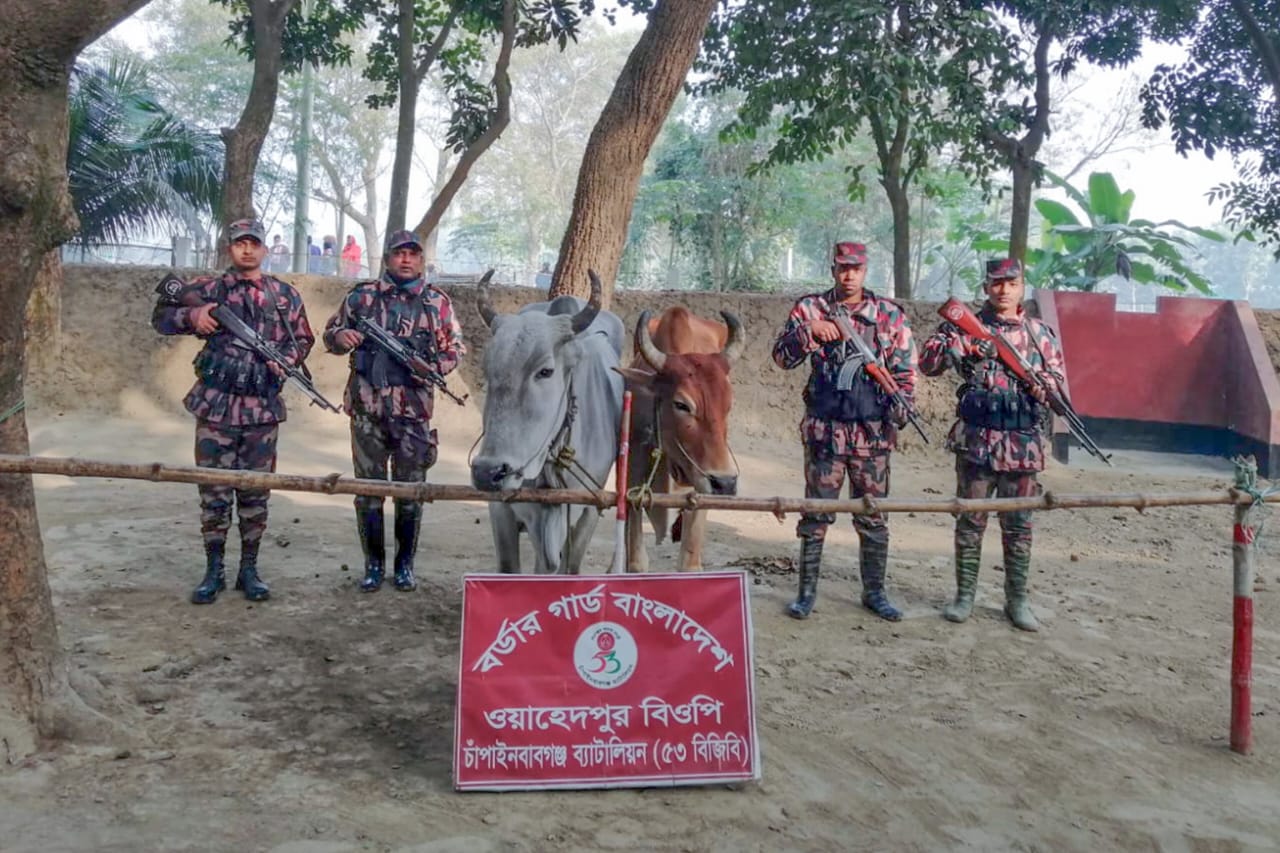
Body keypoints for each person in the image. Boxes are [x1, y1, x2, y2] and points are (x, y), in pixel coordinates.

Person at [151, 218, 316, 604]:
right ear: (230, 248)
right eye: (240, 243)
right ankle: (213, 570)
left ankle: (249, 570)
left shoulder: (284, 296)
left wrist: (287, 359)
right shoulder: (207, 289)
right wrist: (192, 317)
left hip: (261, 410)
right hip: (216, 406)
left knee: (256, 494)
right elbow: (161, 316)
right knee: (214, 494)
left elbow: (304, 337)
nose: (247, 250)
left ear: (264, 249)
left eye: (254, 243)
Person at [772, 241, 917, 621]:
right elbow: (781, 358)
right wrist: (809, 331)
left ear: (865, 269)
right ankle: (805, 594)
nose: (848, 275)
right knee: (816, 513)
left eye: (855, 268)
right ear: (833, 268)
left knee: (873, 515)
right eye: (842, 268)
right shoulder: (811, 308)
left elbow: (903, 372)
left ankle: (875, 592)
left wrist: (903, 406)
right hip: (825, 431)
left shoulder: (887, 315)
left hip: (872, 434)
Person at [919, 258, 1066, 631]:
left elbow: (1057, 386)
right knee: (970, 522)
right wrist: (960, 347)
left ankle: (1017, 600)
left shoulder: (1039, 334)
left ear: (1022, 286)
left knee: (1019, 526)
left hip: (1021, 446)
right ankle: (964, 596)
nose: (1003, 290)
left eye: (1011, 283)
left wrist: (1042, 386)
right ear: (986, 287)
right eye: (996, 283)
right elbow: (928, 362)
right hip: (976, 443)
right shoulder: (964, 326)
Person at [322, 230, 466, 592]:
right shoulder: (362, 297)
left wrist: (433, 367)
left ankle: (404, 566)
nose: (406, 260)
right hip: (367, 412)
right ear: (387, 258)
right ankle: (373, 565)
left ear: (421, 259)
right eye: (399, 253)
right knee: (368, 492)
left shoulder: (437, 303)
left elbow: (456, 348)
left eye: (412, 254)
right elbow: (331, 334)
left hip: (414, 415)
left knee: (410, 493)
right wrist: (340, 339)